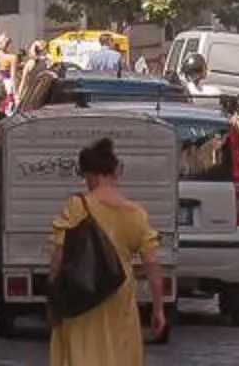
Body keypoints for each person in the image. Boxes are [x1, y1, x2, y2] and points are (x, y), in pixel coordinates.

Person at [45, 135, 166, 359]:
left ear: (90, 174)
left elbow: (58, 258)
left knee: (81, 355)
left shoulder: (76, 207)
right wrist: (158, 308)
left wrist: (53, 298)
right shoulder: (135, 214)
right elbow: (152, 264)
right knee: (117, 354)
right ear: (114, 172)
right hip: (119, 297)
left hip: (79, 297)